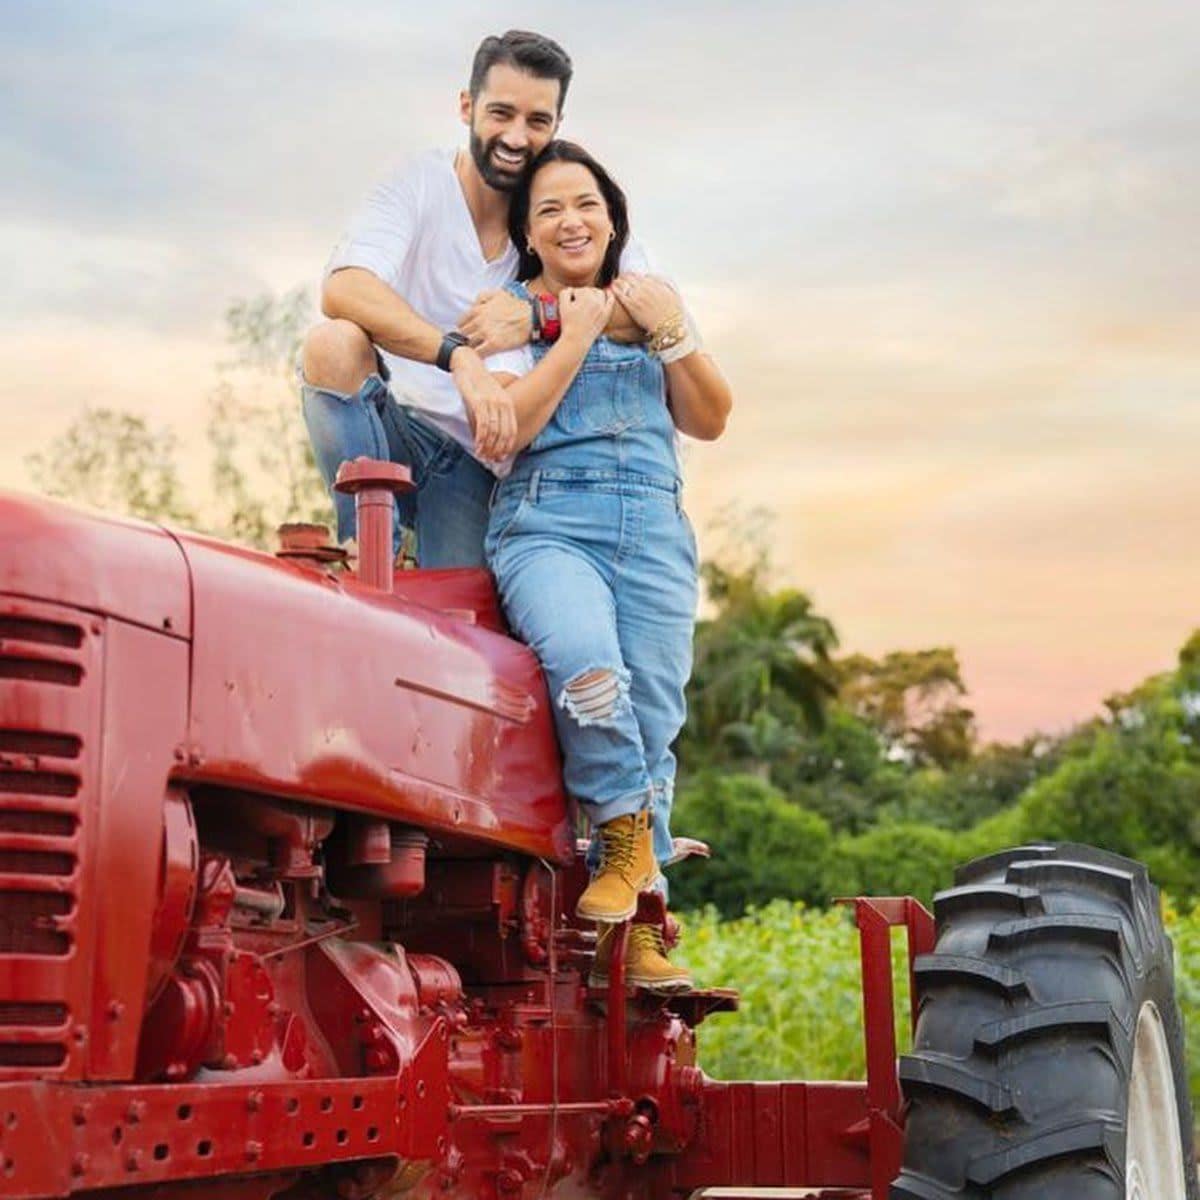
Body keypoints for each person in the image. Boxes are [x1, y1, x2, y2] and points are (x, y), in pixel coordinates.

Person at [483, 142, 732, 991]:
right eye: (548, 209)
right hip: (549, 517)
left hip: (656, 526)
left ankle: (639, 935)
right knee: (591, 674)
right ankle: (626, 846)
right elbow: (508, 426)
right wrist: (567, 326)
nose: (571, 220)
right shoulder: (503, 314)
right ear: (527, 233)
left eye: (585, 203)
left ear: (614, 217)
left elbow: (711, 416)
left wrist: (661, 326)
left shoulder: (651, 302)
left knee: (654, 720)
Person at [300, 29, 650, 567]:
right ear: (467, 106)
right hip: (398, 430)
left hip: (489, 467)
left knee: (460, 625)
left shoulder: (563, 212)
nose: (515, 136)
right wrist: (457, 355)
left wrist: (537, 317)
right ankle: (366, 550)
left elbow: (651, 306)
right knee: (332, 345)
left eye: (537, 121)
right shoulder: (418, 183)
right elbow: (344, 286)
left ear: (556, 125)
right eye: (500, 113)